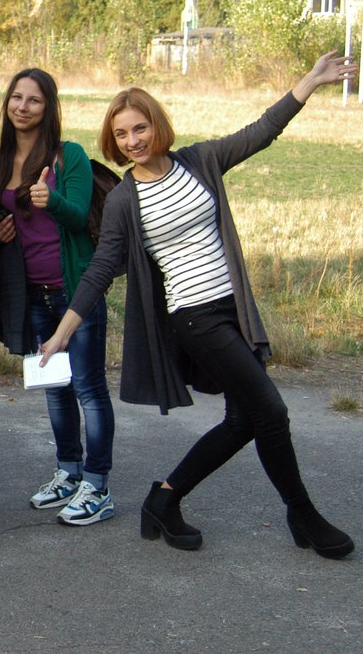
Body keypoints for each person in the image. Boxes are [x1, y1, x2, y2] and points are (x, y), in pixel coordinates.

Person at [40, 51, 357, 559]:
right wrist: (63, 332)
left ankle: (164, 500)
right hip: (194, 317)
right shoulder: (123, 200)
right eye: (121, 134)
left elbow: (262, 131)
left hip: (234, 310)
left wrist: (311, 81)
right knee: (272, 412)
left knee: (243, 421)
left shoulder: (200, 161)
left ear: (156, 125)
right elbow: (100, 269)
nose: (133, 140)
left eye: (139, 128)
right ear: (114, 142)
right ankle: (303, 515)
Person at [0, 68, 115, 525]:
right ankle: (68, 471)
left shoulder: (69, 156)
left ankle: (98, 486)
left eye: (34, 100)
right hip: (32, 294)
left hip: (75, 292)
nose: (23, 107)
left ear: (48, 108)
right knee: (54, 387)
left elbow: (80, 216)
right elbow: (3, 217)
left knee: (88, 387)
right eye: (16, 98)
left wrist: (52, 200)